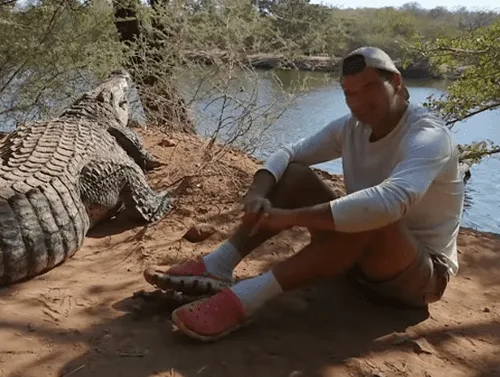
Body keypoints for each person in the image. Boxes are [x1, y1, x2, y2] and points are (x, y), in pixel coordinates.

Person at [143, 46, 465, 342]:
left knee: (372, 212)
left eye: (369, 89)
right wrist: (258, 192)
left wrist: (290, 218)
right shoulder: (351, 127)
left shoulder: (428, 136)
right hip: (359, 264)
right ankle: (220, 264)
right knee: (295, 173)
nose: (359, 103)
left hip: (418, 277)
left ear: (395, 82)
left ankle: (246, 299)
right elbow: (289, 151)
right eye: (349, 93)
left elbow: (390, 202)